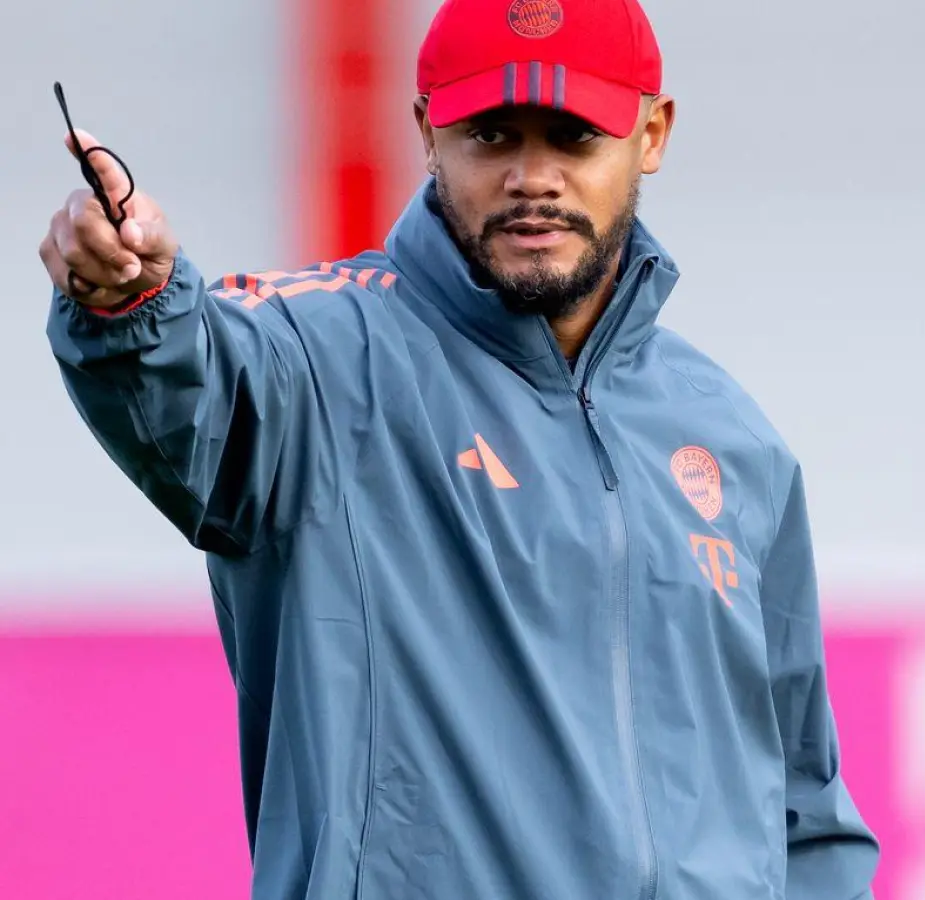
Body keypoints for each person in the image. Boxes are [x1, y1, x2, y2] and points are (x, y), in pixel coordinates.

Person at [37, 0, 880, 896]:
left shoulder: (730, 437)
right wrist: (128, 303)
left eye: (572, 136)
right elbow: (187, 383)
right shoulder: (317, 362)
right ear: (425, 132)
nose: (532, 176)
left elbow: (801, 805)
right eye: (490, 134)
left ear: (652, 132)